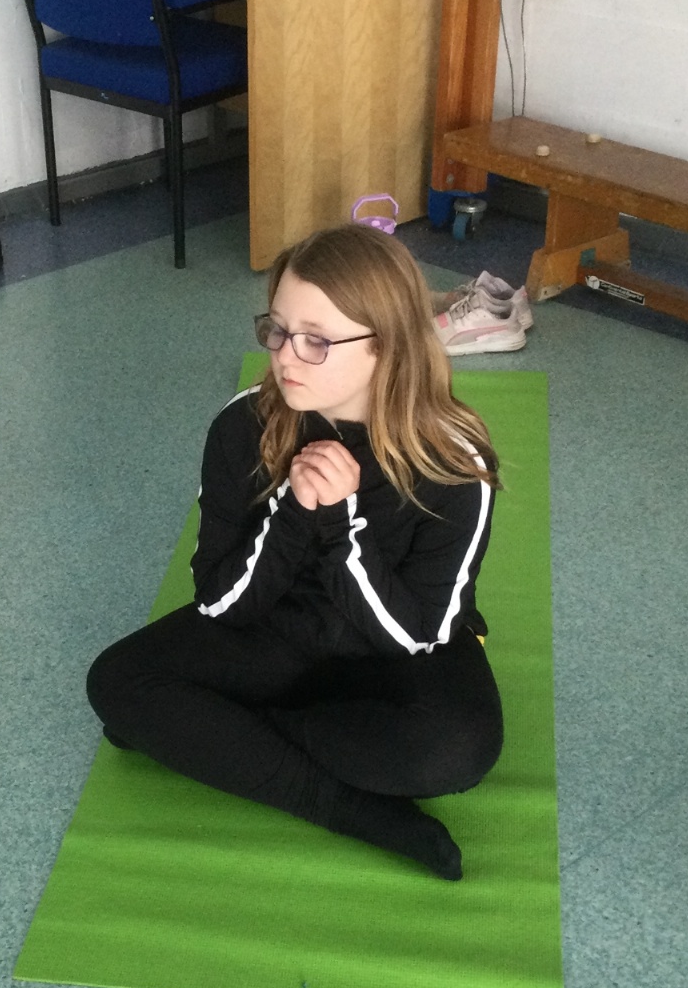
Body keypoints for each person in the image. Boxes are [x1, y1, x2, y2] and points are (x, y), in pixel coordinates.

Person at [87, 224, 505, 880]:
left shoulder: (453, 461)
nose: (286, 357)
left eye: (316, 340)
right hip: (273, 631)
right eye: (277, 330)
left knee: (458, 753)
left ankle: (219, 735)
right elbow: (219, 600)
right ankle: (347, 809)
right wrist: (293, 509)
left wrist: (342, 524)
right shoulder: (243, 426)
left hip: (391, 652)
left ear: (387, 345)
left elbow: (417, 634)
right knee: (115, 682)